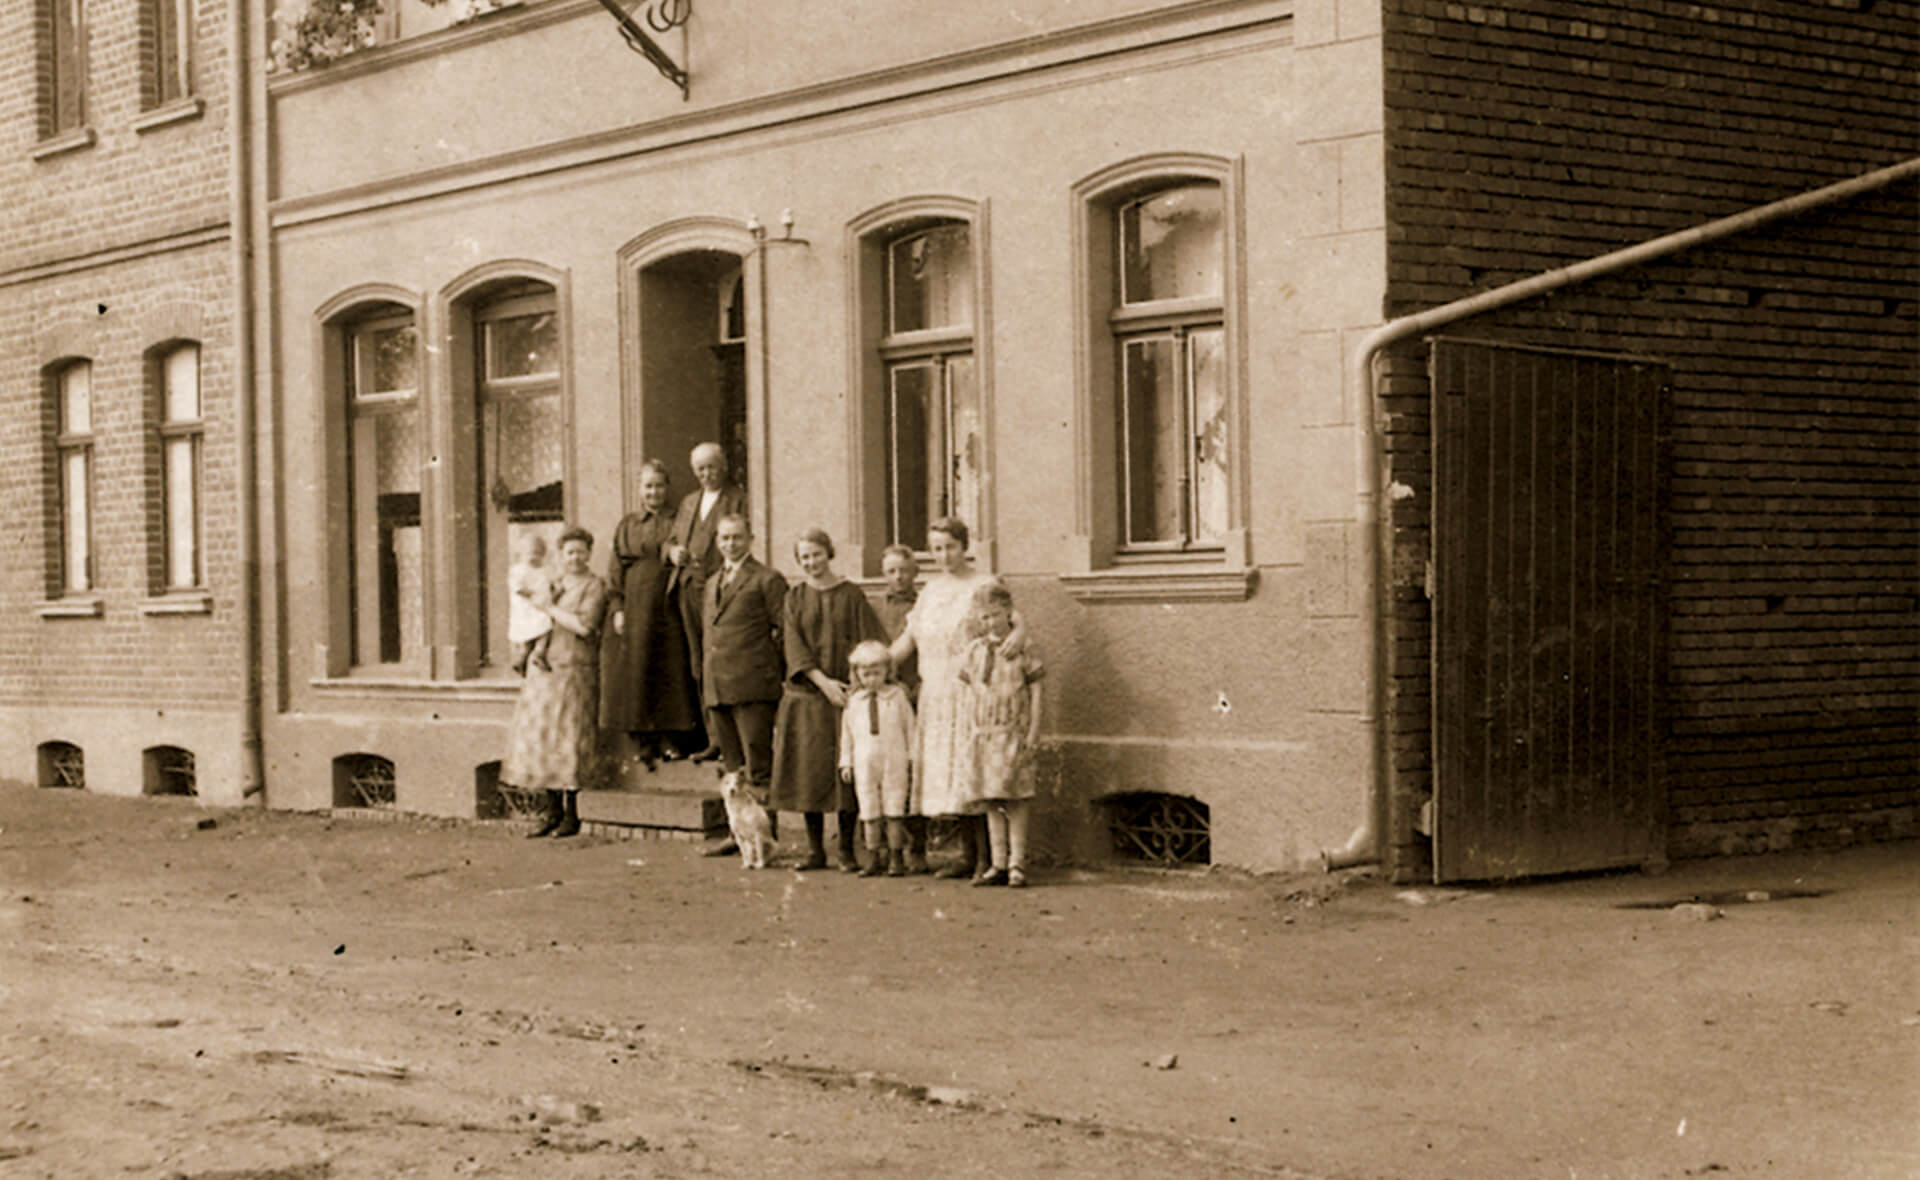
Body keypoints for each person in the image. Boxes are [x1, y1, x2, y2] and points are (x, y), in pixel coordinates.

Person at [886, 517, 1024, 879]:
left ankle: (986, 860)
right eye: (936, 549)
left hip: (972, 691)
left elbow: (1014, 619)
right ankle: (966, 856)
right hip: (936, 693)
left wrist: (1020, 634)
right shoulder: (930, 591)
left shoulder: (984, 583)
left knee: (972, 769)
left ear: (965, 546)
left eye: (950, 546)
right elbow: (909, 639)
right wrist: (872, 665)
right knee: (950, 776)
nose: (944, 555)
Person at [770, 528, 887, 872]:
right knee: (810, 773)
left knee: (845, 774)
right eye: (804, 557)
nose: (811, 563)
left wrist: (852, 685)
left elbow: (869, 642)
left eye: (817, 554)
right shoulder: (794, 598)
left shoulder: (851, 595)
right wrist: (823, 684)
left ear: (829, 553)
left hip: (846, 698)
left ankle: (847, 850)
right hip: (808, 696)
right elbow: (794, 647)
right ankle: (814, 850)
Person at [502, 526, 609, 839]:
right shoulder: (552, 583)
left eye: (580, 551)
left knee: (569, 739)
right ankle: (551, 811)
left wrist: (547, 607)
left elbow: (584, 627)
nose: (575, 558)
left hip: (575, 668)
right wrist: (527, 650)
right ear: (560, 556)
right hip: (544, 669)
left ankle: (572, 815)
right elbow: (533, 622)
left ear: (589, 554)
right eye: (569, 552)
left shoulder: (594, 586)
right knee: (543, 738)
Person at [601, 460, 702, 770]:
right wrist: (618, 608)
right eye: (648, 486)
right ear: (639, 489)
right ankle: (643, 742)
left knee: (670, 668)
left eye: (659, 485)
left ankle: (671, 739)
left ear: (667, 487)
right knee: (638, 670)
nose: (654, 492)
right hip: (636, 605)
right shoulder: (629, 524)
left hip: (669, 603)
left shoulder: (680, 520)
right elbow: (615, 569)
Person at [700, 514, 786, 852]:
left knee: (758, 764)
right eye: (724, 538)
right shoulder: (711, 583)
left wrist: (765, 669)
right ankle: (739, 835)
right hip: (718, 684)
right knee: (733, 767)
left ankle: (766, 836)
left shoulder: (767, 579)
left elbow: (783, 630)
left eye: (737, 537)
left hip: (753, 685)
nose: (730, 544)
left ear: (750, 538)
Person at [957, 580, 1044, 888]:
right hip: (983, 734)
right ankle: (998, 863)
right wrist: (969, 731)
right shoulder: (974, 651)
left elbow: (1036, 691)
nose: (991, 622)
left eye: (995, 614)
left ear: (1009, 612)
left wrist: (1033, 731)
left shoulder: (1024, 647)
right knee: (992, 799)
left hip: (1013, 732)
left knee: (1017, 799)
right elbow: (967, 694)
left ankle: (1018, 862)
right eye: (984, 617)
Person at [667, 442, 749, 764]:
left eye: (711, 467)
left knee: (721, 662)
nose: (706, 474)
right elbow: (671, 540)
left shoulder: (738, 498)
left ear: (724, 465)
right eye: (700, 469)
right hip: (687, 588)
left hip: (719, 590)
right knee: (698, 664)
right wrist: (673, 552)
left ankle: (729, 741)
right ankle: (712, 737)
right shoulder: (689, 501)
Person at [871, 543, 929, 872]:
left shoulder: (925, 604)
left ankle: (918, 847)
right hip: (885, 697)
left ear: (915, 572)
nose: (898, 577)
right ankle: (885, 849)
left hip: (917, 695)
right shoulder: (875, 608)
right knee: (885, 771)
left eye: (904, 570)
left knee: (914, 770)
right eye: (892, 571)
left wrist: (919, 685)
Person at [839, 639, 917, 878]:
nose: (871, 678)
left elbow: (910, 729)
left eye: (877, 673)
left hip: (894, 759)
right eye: (866, 674)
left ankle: (896, 857)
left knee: (894, 808)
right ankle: (873, 857)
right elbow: (847, 734)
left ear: (887, 671)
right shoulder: (854, 702)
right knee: (869, 809)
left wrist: (913, 757)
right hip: (864, 762)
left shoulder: (897, 697)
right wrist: (846, 762)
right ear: (857, 674)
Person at [507, 534, 553, 676]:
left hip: (538, 607)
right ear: (521, 554)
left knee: (545, 629)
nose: (534, 557)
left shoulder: (543, 571)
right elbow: (517, 587)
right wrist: (532, 594)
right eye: (530, 553)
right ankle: (521, 659)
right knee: (534, 631)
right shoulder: (518, 570)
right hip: (525, 608)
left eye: (538, 553)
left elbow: (548, 585)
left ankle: (539, 653)